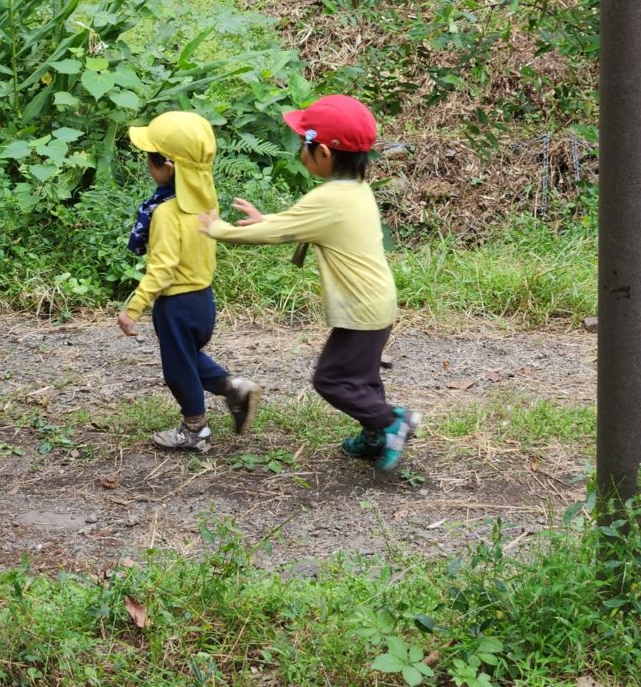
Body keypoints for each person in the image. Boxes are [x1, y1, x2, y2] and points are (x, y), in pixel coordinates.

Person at [199, 95, 420, 472]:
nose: (300, 149)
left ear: (325, 154)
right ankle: (375, 436)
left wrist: (217, 229)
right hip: (375, 304)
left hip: (361, 311)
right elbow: (300, 223)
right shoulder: (354, 190)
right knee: (362, 379)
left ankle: (390, 422)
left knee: (331, 380)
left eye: (304, 142)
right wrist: (268, 219)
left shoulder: (330, 198)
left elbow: (282, 232)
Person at [119, 111, 260, 453]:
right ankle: (235, 388)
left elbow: (162, 268)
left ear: (167, 167)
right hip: (203, 301)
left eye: (149, 159)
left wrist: (134, 308)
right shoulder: (205, 202)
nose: (147, 166)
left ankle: (195, 429)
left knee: (177, 369)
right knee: (187, 357)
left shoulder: (166, 213)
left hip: (176, 306)